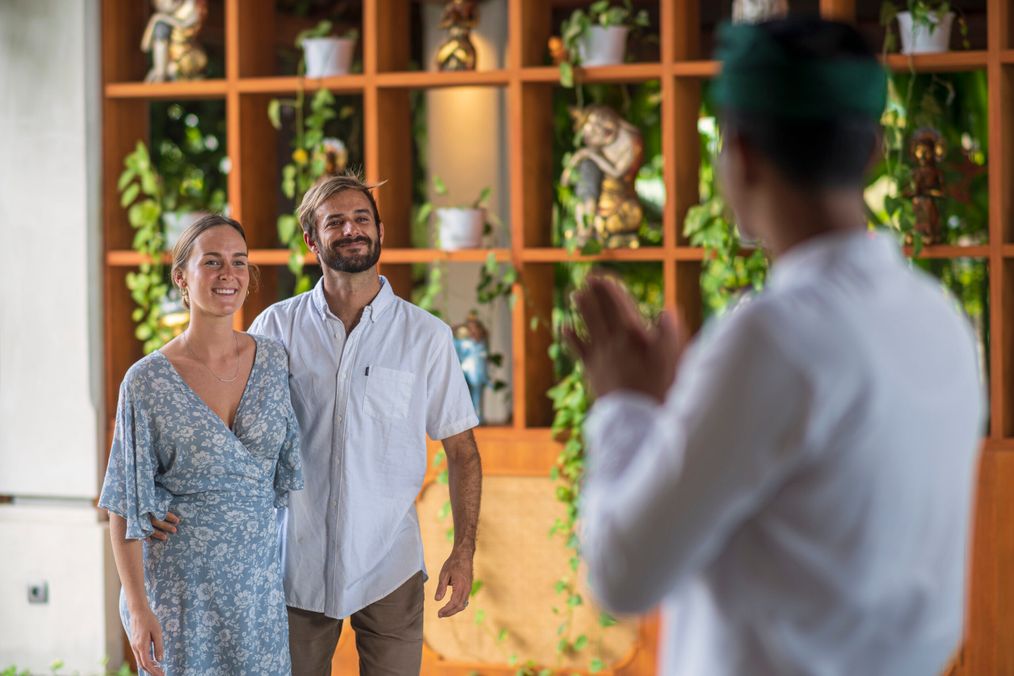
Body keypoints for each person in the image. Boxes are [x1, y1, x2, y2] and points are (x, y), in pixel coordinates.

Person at [567, 18, 984, 676]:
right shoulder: (940, 318)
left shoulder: (777, 337)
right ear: (874, 150)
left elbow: (623, 576)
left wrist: (626, 404)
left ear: (741, 154)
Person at [247, 172, 483, 675]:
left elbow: (462, 450)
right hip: (295, 564)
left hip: (390, 564)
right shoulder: (274, 328)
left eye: (361, 219)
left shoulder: (426, 337)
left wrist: (463, 552)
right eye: (335, 222)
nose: (351, 230)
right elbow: (240, 440)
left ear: (381, 231)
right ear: (312, 240)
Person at [99, 215, 303, 675]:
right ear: (181, 277)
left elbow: (279, 483)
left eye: (239, 262)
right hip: (179, 593)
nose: (228, 274)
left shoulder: (273, 361)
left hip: (257, 594)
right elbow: (123, 505)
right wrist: (138, 609)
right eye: (211, 262)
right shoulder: (146, 381)